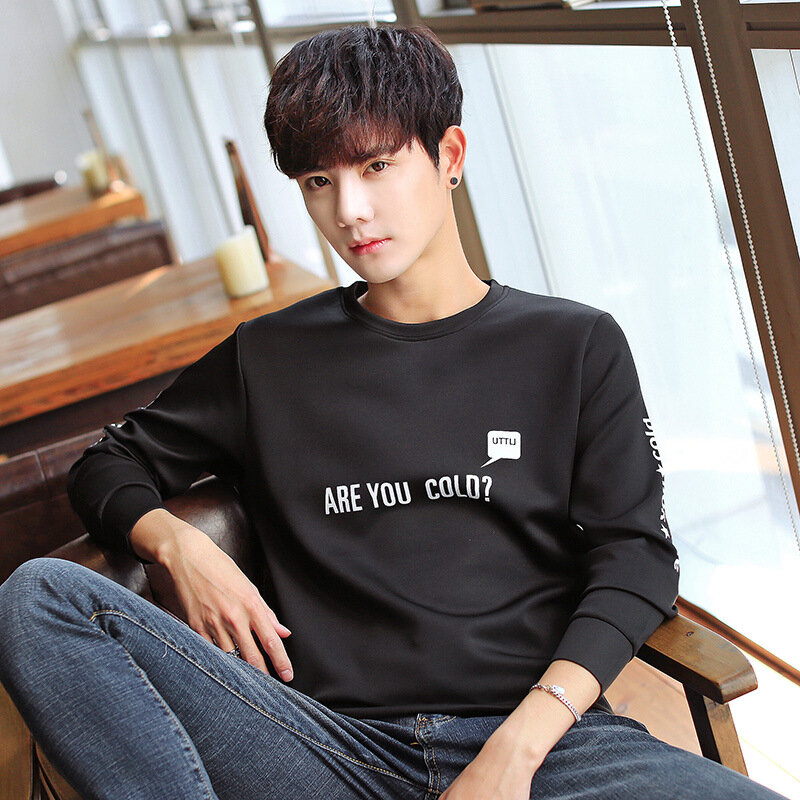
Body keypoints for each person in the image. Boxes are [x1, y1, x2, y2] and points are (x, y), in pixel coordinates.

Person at [0, 23, 786, 800]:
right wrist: (176, 545)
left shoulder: (573, 346)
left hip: (547, 749)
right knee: (39, 597)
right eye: (319, 181)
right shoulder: (268, 358)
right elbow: (109, 463)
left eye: (377, 166)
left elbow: (637, 558)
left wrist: (517, 750)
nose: (350, 211)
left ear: (450, 156)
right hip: (326, 750)